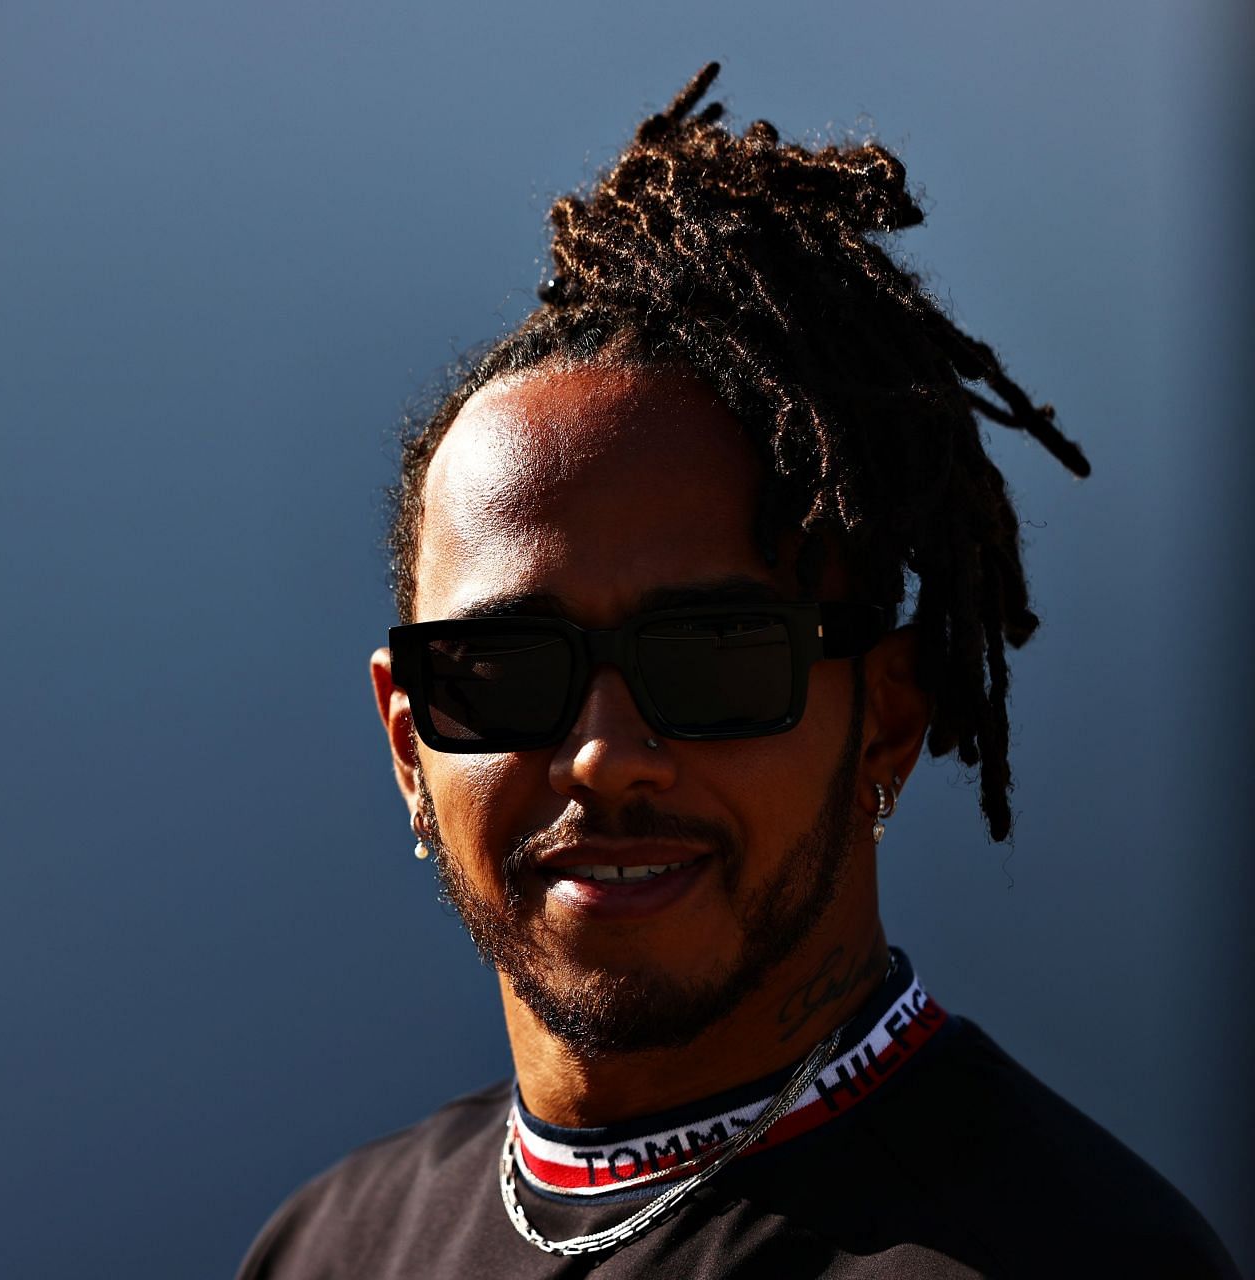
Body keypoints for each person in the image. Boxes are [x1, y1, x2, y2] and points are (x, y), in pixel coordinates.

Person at [237, 64, 1237, 1278]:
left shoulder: (1077, 1260)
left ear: (889, 715)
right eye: (502, 667)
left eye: (711, 657)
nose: (604, 752)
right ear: (408, 744)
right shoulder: (326, 1247)